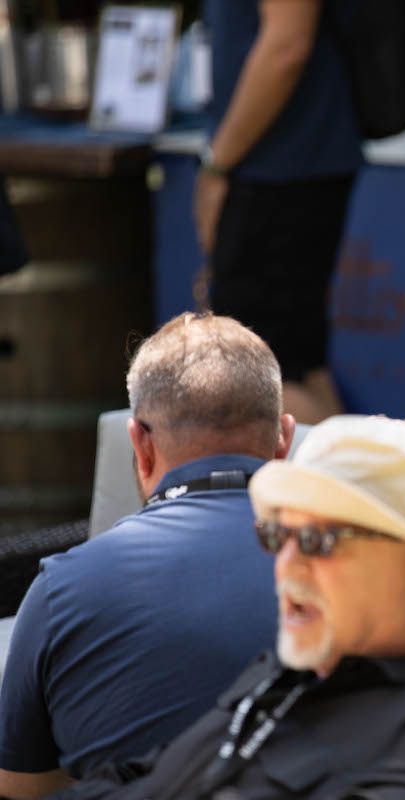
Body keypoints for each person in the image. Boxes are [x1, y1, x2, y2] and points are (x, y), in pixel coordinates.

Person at [50, 415, 405, 800]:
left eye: (317, 540)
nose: (285, 566)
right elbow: (151, 779)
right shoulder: (297, 675)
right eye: (277, 535)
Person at [0, 313, 294, 799]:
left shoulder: (63, 587)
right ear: (284, 439)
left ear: (139, 443)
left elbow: (20, 785)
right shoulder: (356, 574)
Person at [198, 0, 363, 423]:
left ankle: (351, 486)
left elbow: (287, 44)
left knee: (256, 370)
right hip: (285, 164)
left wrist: (219, 164)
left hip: (280, 169)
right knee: (298, 365)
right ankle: (353, 484)